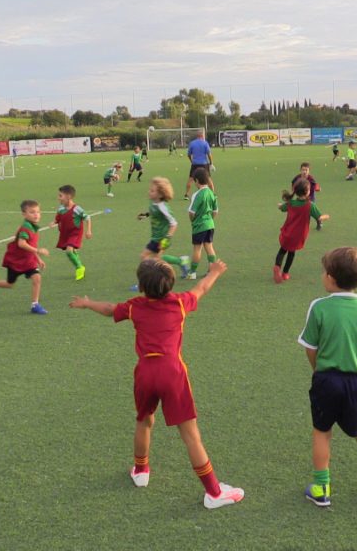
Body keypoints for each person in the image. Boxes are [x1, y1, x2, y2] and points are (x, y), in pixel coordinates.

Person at [69, 258, 245, 509]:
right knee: (191, 436)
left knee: (144, 420)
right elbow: (202, 288)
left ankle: (140, 471)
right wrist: (215, 272)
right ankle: (214, 493)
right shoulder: (180, 303)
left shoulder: (135, 306)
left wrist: (86, 303)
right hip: (172, 372)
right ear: (171, 285)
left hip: (145, 372)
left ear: (141, 287)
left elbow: (109, 308)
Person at [299, 247, 357, 508]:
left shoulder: (318, 307)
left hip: (326, 380)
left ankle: (321, 487)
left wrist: (318, 370)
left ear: (330, 278)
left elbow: (311, 347)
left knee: (321, 431)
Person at [0, 200, 50, 314]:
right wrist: (38, 251)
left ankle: (35, 305)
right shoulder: (26, 228)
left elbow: (31, 245)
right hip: (16, 261)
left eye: (38, 212)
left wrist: (38, 259)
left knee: (37, 278)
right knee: (10, 284)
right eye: (32, 212)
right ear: (24, 214)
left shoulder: (33, 227)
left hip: (28, 261)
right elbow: (22, 244)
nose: (36, 215)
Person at [274, 179, 329, 283]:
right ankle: (285, 273)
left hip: (287, 233)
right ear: (307, 191)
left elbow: (282, 208)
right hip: (298, 235)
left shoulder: (290, 203)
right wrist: (327, 216)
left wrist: (279, 205)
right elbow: (320, 218)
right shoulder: (310, 205)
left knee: (282, 250)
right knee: (291, 253)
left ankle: (277, 266)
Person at [137, 177, 190, 276]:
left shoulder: (163, 207)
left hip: (162, 238)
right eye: (150, 189)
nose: (149, 192)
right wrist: (145, 215)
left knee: (147, 257)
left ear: (160, 194)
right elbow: (154, 212)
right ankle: (181, 261)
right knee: (156, 259)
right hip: (155, 237)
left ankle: (148, 279)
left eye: (152, 191)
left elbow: (174, 223)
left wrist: (167, 239)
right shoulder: (153, 202)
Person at [54, 185, 92, 281]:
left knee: (69, 250)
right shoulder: (61, 209)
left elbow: (87, 218)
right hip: (65, 233)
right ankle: (79, 264)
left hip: (75, 233)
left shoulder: (77, 209)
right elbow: (58, 219)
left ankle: (79, 267)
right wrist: (54, 223)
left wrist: (88, 230)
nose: (58, 198)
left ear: (69, 197)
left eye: (60, 196)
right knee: (71, 250)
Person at [186, 168, 217, 280]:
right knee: (209, 246)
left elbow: (191, 212)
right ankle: (212, 271)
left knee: (197, 249)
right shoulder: (211, 193)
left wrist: (193, 221)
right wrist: (209, 220)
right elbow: (215, 211)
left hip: (199, 226)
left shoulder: (197, 195)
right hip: (210, 224)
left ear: (197, 181)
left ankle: (192, 273)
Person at [185, 131, 213, 200]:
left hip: (195, 164)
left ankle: (187, 194)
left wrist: (192, 161)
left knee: (190, 179)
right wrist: (211, 163)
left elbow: (188, 154)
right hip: (204, 164)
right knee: (208, 178)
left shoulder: (192, 143)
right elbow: (209, 154)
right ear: (202, 136)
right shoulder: (205, 143)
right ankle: (212, 193)